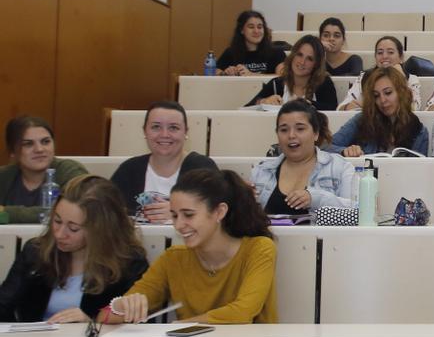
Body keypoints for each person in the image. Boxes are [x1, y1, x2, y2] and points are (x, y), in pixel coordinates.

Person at [108, 169, 277, 324]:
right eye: (174, 216)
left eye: (188, 215)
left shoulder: (259, 248)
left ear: (219, 212)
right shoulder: (173, 258)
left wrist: (178, 326)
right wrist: (121, 306)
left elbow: (242, 312)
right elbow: (106, 316)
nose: (179, 225)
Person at [0, 175, 149, 323]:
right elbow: (3, 304)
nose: (59, 234)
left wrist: (90, 323)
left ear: (101, 231)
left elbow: (135, 323)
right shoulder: (36, 251)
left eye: (73, 228)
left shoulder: (130, 263)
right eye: (57, 221)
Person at [110, 101, 218, 221]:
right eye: (156, 127)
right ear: (145, 131)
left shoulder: (202, 169)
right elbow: (108, 216)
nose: (164, 134)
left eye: (173, 128)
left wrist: (179, 214)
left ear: (185, 132)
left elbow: (217, 215)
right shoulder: (128, 170)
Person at [250, 100, 355, 215]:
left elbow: (358, 211)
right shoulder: (261, 172)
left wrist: (317, 199)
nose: (291, 135)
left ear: (316, 134)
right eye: (284, 130)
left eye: (300, 129)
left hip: (320, 234)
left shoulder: (340, 167)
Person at [0, 116, 88, 224]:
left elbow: (76, 211)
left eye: (45, 142)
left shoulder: (70, 171)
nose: (39, 149)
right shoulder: (4, 176)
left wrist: (6, 213)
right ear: (12, 151)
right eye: (28, 144)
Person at [331, 67, 429, 157]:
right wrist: (344, 151)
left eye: (388, 93)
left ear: (401, 93)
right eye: (376, 95)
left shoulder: (419, 131)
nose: (382, 100)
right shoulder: (361, 120)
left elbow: (419, 170)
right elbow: (325, 146)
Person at [245, 35, 338, 110]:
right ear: (293, 55)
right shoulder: (276, 84)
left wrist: (309, 105)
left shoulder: (324, 83)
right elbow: (246, 108)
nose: (302, 62)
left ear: (316, 64)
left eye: (309, 59)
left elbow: (333, 110)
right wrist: (263, 102)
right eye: (299, 55)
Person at [339, 36, 423, 111]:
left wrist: (402, 79)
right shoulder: (364, 77)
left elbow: (414, 108)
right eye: (380, 53)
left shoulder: (411, 79)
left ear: (401, 57)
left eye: (390, 52)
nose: (384, 56)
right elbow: (342, 107)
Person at [216, 10, 285, 76]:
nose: (256, 31)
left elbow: (282, 76)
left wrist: (251, 75)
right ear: (242, 30)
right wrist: (225, 73)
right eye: (251, 27)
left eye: (260, 27)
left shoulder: (277, 52)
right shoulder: (230, 52)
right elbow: (214, 71)